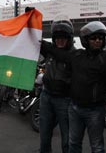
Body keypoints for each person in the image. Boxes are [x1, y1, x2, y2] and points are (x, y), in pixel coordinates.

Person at [41, 21, 106, 153]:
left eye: (100, 38)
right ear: (86, 40)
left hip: (95, 111)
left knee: (96, 146)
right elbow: (58, 53)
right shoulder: (77, 56)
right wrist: (40, 40)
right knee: (73, 143)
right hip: (75, 109)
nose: (97, 41)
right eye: (93, 38)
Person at [39, 19, 75, 153]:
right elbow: (33, 39)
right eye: (57, 37)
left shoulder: (75, 55)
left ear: (69, 39)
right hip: (46, 96)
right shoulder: (49, 50)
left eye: (64, 37)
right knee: (44, 134)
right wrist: (29, 19)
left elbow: (65, 56)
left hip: (65, 100)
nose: (60, 40)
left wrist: (49, 48)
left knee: (67, 137)